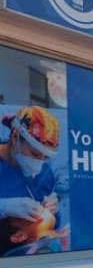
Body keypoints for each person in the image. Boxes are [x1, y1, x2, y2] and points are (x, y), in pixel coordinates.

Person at [0, 106, 61, 256]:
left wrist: (53, 210)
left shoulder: (45, 174)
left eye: (45, 157)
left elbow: (52, 225)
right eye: (35, 153)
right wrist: (4, 206)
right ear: (15, 136)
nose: (39, 163)